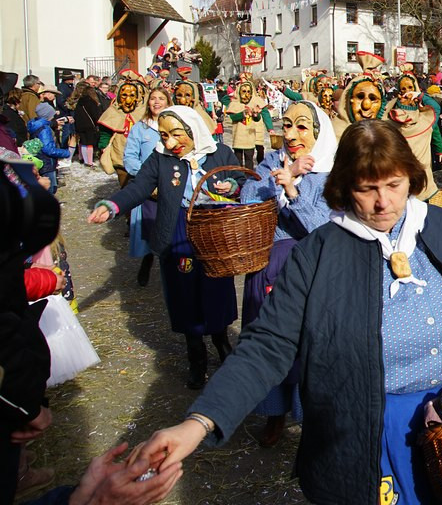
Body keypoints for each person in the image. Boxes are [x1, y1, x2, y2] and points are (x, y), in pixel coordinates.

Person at [133, 119, 442, 504]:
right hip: (369, 433)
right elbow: (267, 345)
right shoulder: (317, 254)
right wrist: (198, 423)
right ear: (344, 188)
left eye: (394, 185)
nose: (384, 203)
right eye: (367, 189)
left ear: (411, 178)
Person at [87, 106, 242, 390]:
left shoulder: (220, 153)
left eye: (176, 134)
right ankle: (195, 354)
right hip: (178, 231)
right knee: (184, 293)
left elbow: (242, 181)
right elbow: (139, 187)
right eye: (164, 135)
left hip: (212, 231)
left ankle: (221, 341)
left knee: (217, 288)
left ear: (193, 130)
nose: (169, 142)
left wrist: (231, 186)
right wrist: (113, 206)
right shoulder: (161, 158)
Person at [240, 101, 337, 448]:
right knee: (267, 339)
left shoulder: (331, 172)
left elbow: (322, 228)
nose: (292, 135)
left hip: (306, 267)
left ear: (318, 132)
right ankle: (274, 412)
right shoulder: (272, 159)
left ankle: (306, 414)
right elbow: (247, 196)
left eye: (301, 127)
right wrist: (276, 179)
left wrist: (293, 188)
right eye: (287, 126)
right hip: (269, 262)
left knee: (305, 344)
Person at [123, 87, 171, 287]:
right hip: (149, 187)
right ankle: (147, 260)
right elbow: (130, 157)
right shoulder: (140, 128)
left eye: (161, 98)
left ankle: (171, 267)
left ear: (168, 102)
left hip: (171, 183)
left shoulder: (175, 125)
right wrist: (145, 176)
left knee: (170, 227)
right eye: (153, 99)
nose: (156, 102)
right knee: (150, 227)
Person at [224, 78, 271, 170]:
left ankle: (249, 177)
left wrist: (256, 114)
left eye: (249, 92)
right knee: (238, 161)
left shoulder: (255, 102)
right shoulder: (235, 104)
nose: (246, 94)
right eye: (244, 91)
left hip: (250, 138)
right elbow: (233, 117)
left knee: (249, 160)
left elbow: (257, 119)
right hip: (239, 137)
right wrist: (243, 114)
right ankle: (239, 178)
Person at [25, 103, 70, 194]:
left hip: (40, 159)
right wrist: (65, 153)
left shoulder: (36, 124)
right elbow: (48, 149)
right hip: (47, 162)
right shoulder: (44, 129)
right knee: (50, 188)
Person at [70, 78, 104, 166]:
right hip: (89, 124)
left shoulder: (80, 101)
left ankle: (82, 158)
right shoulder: (91, 101)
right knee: (89, 143)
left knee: (82, 142)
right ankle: (89, 161)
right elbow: (94, 114)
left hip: (80, 124)